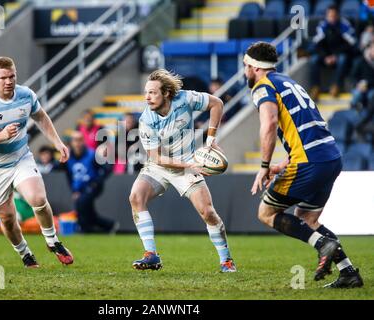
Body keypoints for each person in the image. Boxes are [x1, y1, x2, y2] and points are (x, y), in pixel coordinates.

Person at [245, 41, 363, 288]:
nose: (245, 70)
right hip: (330, 156)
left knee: (266, 213)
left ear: (255, 67)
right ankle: (348, 273)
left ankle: (323, 245)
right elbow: (307, 129)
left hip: (309, 160)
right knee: (307, 217)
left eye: (246, 65)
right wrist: (281, 164)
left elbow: (268, 124)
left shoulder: (262, 86)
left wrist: (264, 165)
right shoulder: (289, 82)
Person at [0, 56, 73, 268]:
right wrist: (1, 135)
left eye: (12, 76)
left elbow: (41, 117)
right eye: (3, 77)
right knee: (7, 218)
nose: (8, 81)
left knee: (38, 198)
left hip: (20, 159)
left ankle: (53, 242)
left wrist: (57, 143)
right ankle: (25, 253)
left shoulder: (26, 95)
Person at [129, 69, 236, 272]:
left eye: (152, 92)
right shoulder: (146, 120)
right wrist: (189, 165)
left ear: (167, 93)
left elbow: (217, 104)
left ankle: (226, 260)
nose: (147, 97)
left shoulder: (185, 98)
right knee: (136, 197)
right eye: (146, 92)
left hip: (188, 163)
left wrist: (211, 139)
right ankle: (151, 255)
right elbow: (156, 157)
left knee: (207, 212)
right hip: (161, 166)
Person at [63, 131, 118, 233]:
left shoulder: (92, 154)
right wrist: (74, 190)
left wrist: (96, 181)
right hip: (79, 188)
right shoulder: (68, 157)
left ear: (83, 141)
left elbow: (108, 167)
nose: (78, 143)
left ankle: (84, 229)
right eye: (75, 140)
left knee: (81, 202)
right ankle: (109, 225)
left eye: (80, 140)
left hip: (93, 185)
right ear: (71, 143)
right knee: (88, 210)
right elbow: (69, 176)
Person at [309, 5, 356, 100]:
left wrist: (335, 56)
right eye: (329, 16)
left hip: (340, 55)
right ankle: (316, 87)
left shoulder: (344, 25)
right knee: (313, 59)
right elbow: (317, 45)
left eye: (333, 16)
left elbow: (351, 44)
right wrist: (325, 57)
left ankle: (336, 86)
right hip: (326, 57)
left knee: (343, 59)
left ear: (338, 15)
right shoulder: (322, 26)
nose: (331, 18)